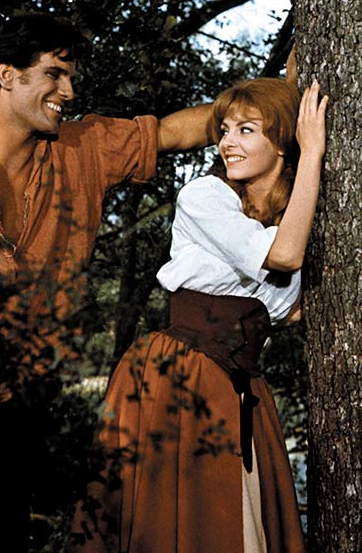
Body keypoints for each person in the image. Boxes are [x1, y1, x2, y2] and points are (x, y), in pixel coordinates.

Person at [0, 14, 213, 552]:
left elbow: (174, 131)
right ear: (7, 75)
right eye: (54, 74)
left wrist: (279, 96)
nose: (68, 91)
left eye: (70, 77)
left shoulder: (81, 149)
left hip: (9, 412)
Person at [70, 77, 328, 553]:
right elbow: (285, 256)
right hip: (181, 374)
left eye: (246, 130)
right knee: (182, 525)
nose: (228, 142)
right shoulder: (205, 197)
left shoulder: (291, 213)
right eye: (224, 130)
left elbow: (288, 308)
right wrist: (312, 152)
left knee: (239, 526)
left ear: (281, 142)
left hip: (240, 385)